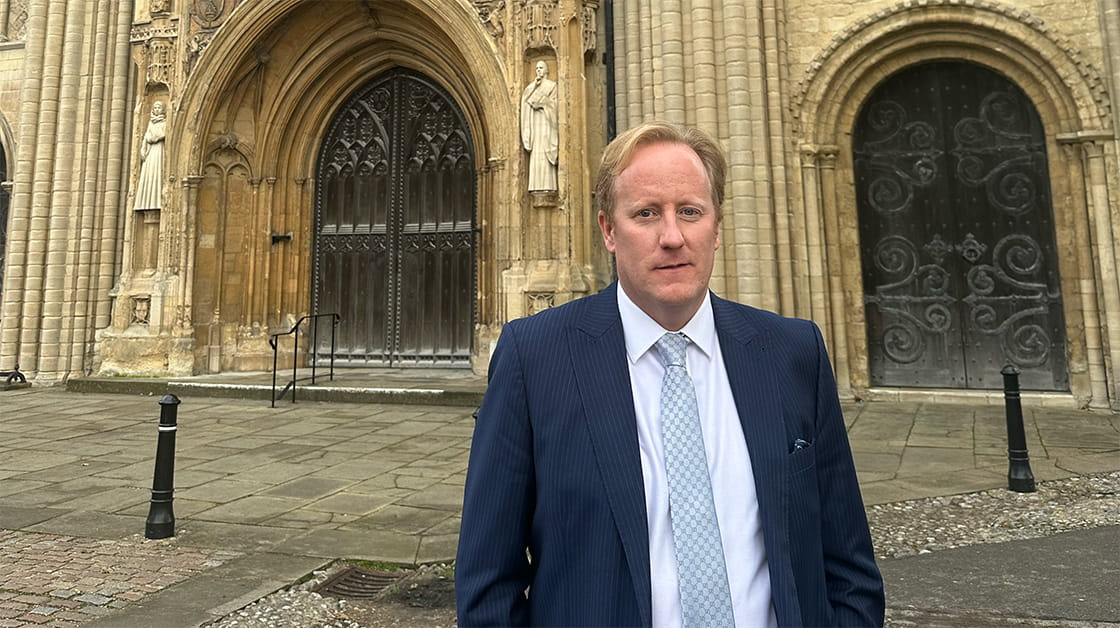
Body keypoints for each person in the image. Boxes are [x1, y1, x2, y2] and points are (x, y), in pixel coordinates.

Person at [456, 121, 884, 627]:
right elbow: (488, 581)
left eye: (690, 212)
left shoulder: (792, 352)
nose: (673, 237)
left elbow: (848, 563)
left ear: (717, 227)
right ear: (609, 231)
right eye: (645, 214)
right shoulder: (537, 357)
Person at [520, 60, 558, 192]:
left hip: (547, 126)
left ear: (546, 70)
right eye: (536, 68)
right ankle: (536, 186)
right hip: (535, 126)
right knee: (537, 153)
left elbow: (555, 106)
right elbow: (525, 102)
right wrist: (533, 90)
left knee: (545, 155)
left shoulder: (552, 86)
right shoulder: (531, 87)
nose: (538, 70)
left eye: (541, 68)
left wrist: (543, 104)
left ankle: (548, 186)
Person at [134, 101, 166, 210]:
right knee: (149, 175)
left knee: (156, 174)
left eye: (159, 107)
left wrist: (153, 137)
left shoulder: (164, 123)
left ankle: (156, 201)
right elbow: (146, 137)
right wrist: (143, 149)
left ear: (163, 110)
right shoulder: (151, 123)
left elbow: (162, 134)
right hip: (150, 152)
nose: (157, 109)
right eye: (155, 107)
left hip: (158, 151)